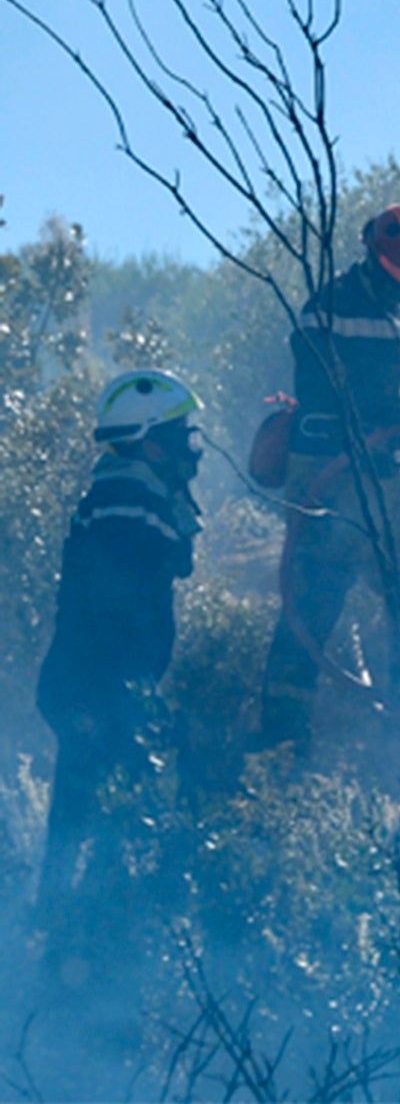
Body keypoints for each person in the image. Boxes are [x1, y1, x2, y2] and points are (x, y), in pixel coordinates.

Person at [258, 201, 400, 753]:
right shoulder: (330, 307)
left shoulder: (389, 316)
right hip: (329, 469)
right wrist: (392, 406)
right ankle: (285, 724)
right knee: (321, 595)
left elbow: (372, 377)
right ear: (374, 257)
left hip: (373, 472)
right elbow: (327, 382)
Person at [36, 369, 203, 920]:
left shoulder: (123, 493)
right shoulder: (128, 500)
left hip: (90, 688)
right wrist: (126, 706)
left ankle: (61, 931)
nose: (192, 450)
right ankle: (81, 946)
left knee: (81, 817)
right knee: (113, 822)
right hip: (99, 690)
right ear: (150, 440)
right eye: (181, 437)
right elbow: (123, 601)